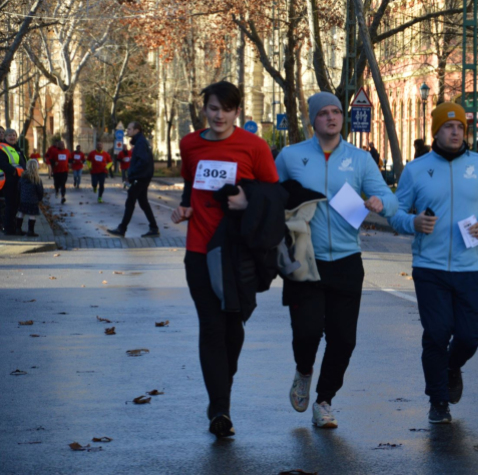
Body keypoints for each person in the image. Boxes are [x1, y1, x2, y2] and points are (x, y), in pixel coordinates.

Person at [275, 91, 398, 429]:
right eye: (323, 113)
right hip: (305, 258)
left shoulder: (359, 160)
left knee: (343, 339)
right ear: (312, 120)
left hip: (346, 259)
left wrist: (378, 203)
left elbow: (389, 198)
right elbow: (271, 192)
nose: (331, 118)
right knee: (307, 332)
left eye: (337, 112)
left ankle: (324, 400)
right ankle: (303, 370)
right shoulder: (290, 156)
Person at [170, 81, 280, 439]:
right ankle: (220, 408)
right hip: (200, 251)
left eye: (226, 109)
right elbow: (190, 183)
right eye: (213, 108)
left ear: (237, 112)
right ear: (204, 109)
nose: (219, 115)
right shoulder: (190, 144)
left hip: (238, 254)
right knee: (212, 326)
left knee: (233, 329)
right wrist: (186, 206)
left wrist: (247, 202)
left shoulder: (255, 146)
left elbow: (273, 195)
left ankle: (222, 385)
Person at [389, 102, 478, 424]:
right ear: (436, 131)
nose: (455, 132)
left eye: (460, 127)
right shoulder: (416, 169)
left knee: (471, 335)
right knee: (437, 333)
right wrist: (413, 223)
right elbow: (396, 213)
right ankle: (438, 401)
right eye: (448, 127)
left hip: (469, 267)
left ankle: (452, 367)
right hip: (430, 267)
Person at [107, 122, 159, 237]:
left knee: (130, 201)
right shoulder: (140, 142)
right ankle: (154, 228)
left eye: (130, 129)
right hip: (142, 177)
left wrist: (132, 174)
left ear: (137, 130)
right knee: (143, 203)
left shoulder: (140, 143)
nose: (128, 131)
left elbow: (143, 161)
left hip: (140, 178)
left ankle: (122, 228)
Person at [0, 129, 26, 234]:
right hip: (9, 181)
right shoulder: (2, 147)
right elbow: (2, 163)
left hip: (18, 181)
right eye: (10, 135)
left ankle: (14, 227)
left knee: (16, 205)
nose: (12, 137)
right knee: (10, 205)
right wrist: (15, 171)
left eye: (14, 135)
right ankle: (9, 229)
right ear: (5, 137)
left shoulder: (16, 148)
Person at [15, 159, 44, 237]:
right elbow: (40, 191)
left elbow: (19, 188)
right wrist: (40, 198)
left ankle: (18, 229)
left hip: (23, 199)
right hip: (33, 200)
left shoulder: (22, 177)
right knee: (32, 215)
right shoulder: (37, 179)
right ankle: (30, 231)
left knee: (21, 213)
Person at [49, 139, 71, 203]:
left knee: (63, 184)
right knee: (57, 183)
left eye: (63, 144)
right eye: (61, 144)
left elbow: (70, 159)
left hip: (65, 170)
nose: (62, 145)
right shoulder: (54, 151)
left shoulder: (67, 151)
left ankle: (63, 196)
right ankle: (56, 190)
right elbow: (50, 159)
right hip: (56, 171)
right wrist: (54, 163)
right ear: (58, 145)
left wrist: (69, 163)